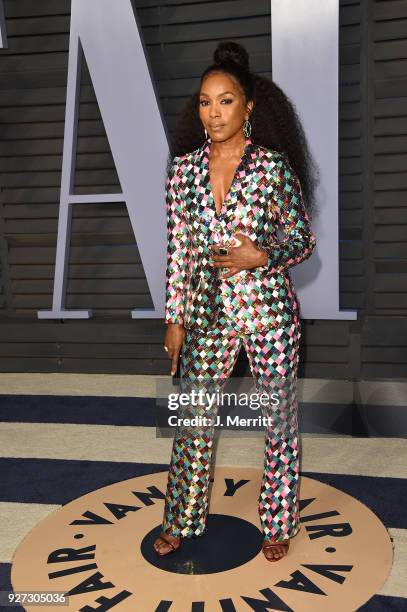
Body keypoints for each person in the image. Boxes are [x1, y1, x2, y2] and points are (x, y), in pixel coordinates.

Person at [154, 41, 317, 562]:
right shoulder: (182, 171)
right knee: (194, 419)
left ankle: (278, 521)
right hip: (205, 313)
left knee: (278, 420)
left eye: (225, 101)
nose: (214, 112)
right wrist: (174, 317)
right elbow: (178, 247)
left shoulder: (272, 169)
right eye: (205, 101)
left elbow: (301, 241)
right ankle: (181, 517)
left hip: (268, 311)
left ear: (248, 106)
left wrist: (261, 254)